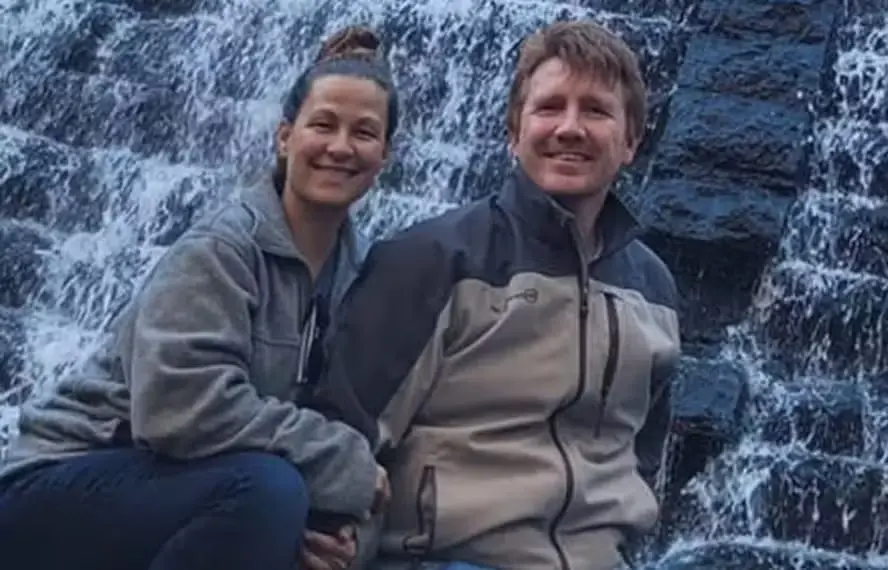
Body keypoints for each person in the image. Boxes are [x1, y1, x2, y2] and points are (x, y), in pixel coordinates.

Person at [0, 25, 397, 570]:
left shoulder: (361, 277)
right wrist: (343, 464)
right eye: (323, 124)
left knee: (278, 498)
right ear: (285, 136)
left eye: (364, 132)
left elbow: (359, 440)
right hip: (59, 481)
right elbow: (177, 410)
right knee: (270, 491)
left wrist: (342, 536)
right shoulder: (221, 248)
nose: (340, 147)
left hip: (189, 492)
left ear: (385, 155)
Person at [306, 20, 682, 570]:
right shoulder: (430, 260)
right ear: (513, 131)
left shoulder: (654, 289)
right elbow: (345, 429)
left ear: (630, 141)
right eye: (550, 107)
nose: (570, 128)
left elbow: (642, 454)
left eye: (596, 111)